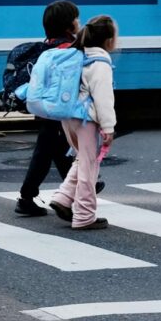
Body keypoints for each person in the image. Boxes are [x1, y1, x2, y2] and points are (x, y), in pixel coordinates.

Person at [14, 0, 104, 216]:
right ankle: (66, 196)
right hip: (63, 111)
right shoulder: (69, 51)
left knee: (49, 151)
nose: (79, 23)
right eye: (77, 19)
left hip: (46, 108)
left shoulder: (47, 48)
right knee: (61, 151)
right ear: (70, 26)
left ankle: (31, 198)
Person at [47, 15, 117, 229]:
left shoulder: (76, 56)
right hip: (86, 119)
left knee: (82, 160)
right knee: (89, 165)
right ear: (109, 40)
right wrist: (108, 127)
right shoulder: (100, 62)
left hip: (68, 117)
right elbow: (103, 98)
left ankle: (63, 197)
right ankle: (84, 215)